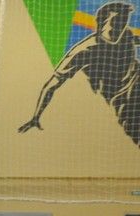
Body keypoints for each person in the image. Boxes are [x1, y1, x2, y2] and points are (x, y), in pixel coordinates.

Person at [19, 1, 140, 145]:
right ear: (101, 23)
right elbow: (51, 85)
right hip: (122, 100)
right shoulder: (84, 51)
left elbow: (134, 39)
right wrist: (35, 117)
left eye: (123, 24)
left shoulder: (126, 35)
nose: (119, 29)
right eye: (115, 24)